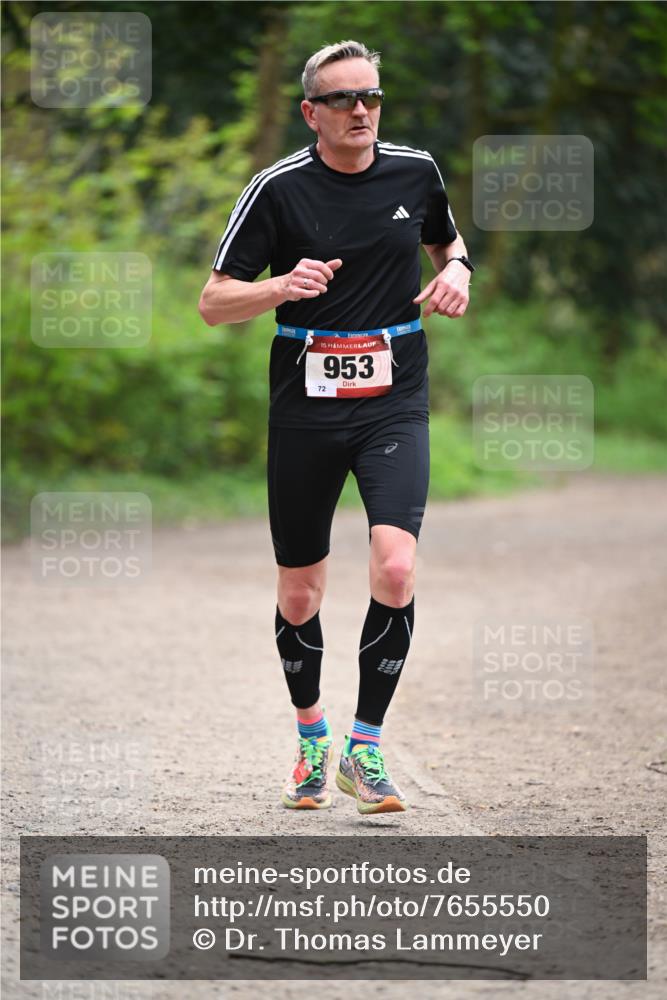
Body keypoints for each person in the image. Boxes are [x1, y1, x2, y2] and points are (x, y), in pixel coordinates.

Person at [199, 40, 472, 815]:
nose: (362, 111)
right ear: (310, 111)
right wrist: (283, 284)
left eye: (372, 98)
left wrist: (457, 269)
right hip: (305, 405)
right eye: (345, 99)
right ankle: (311, 735)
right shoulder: (276, 190)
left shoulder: (414, 171)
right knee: (299, 593)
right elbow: (214, 301)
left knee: (394, 568)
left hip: (393, 399)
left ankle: (365, 748)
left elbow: (447, 242)